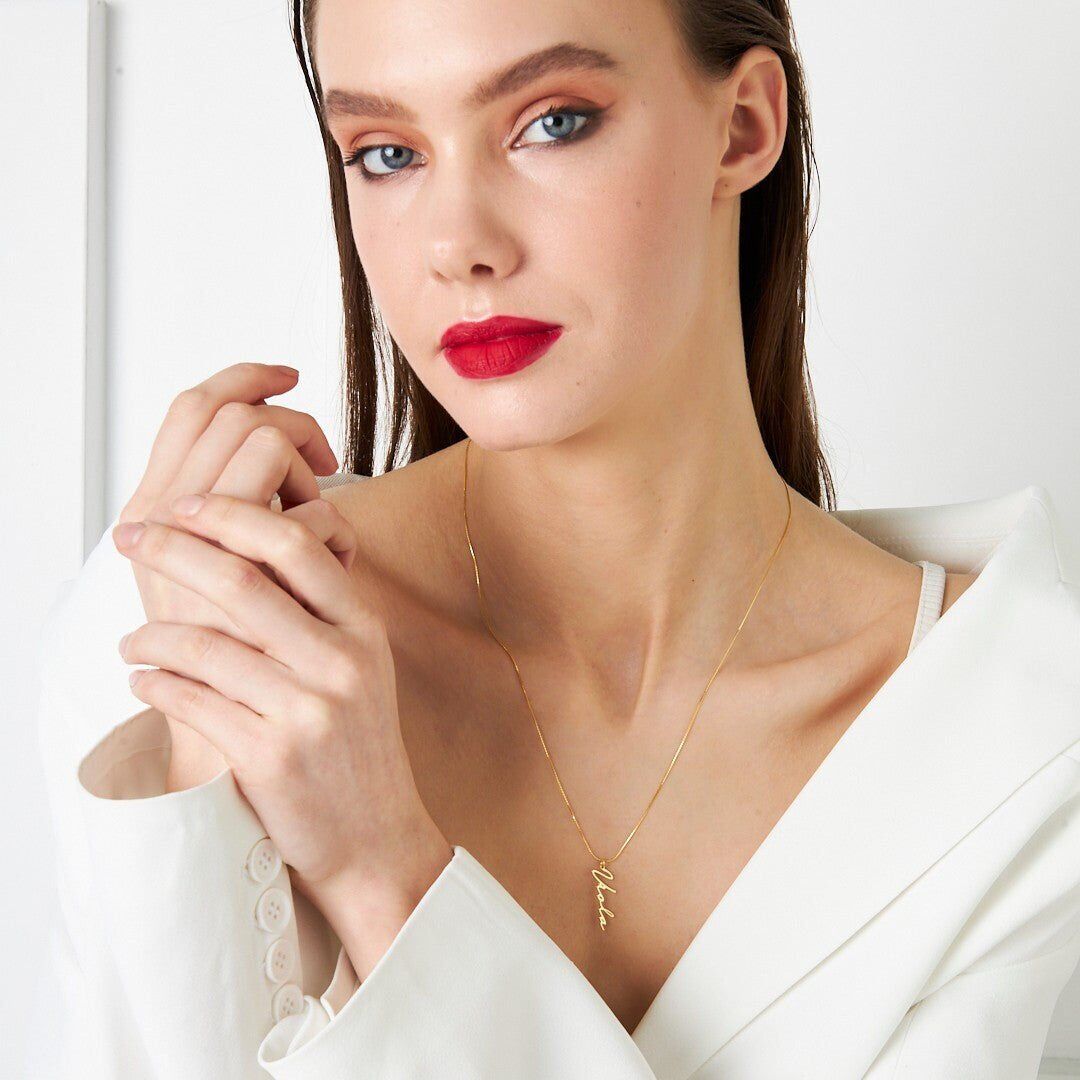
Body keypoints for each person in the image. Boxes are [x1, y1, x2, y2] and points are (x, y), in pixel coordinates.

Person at [28, 0, 1080, 1077]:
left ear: (744, 126)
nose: (458, 245)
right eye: (387, 153)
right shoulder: (188, 625)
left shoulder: (1015, 732)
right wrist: (201, 798)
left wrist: (382, 873)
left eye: (553, 123)